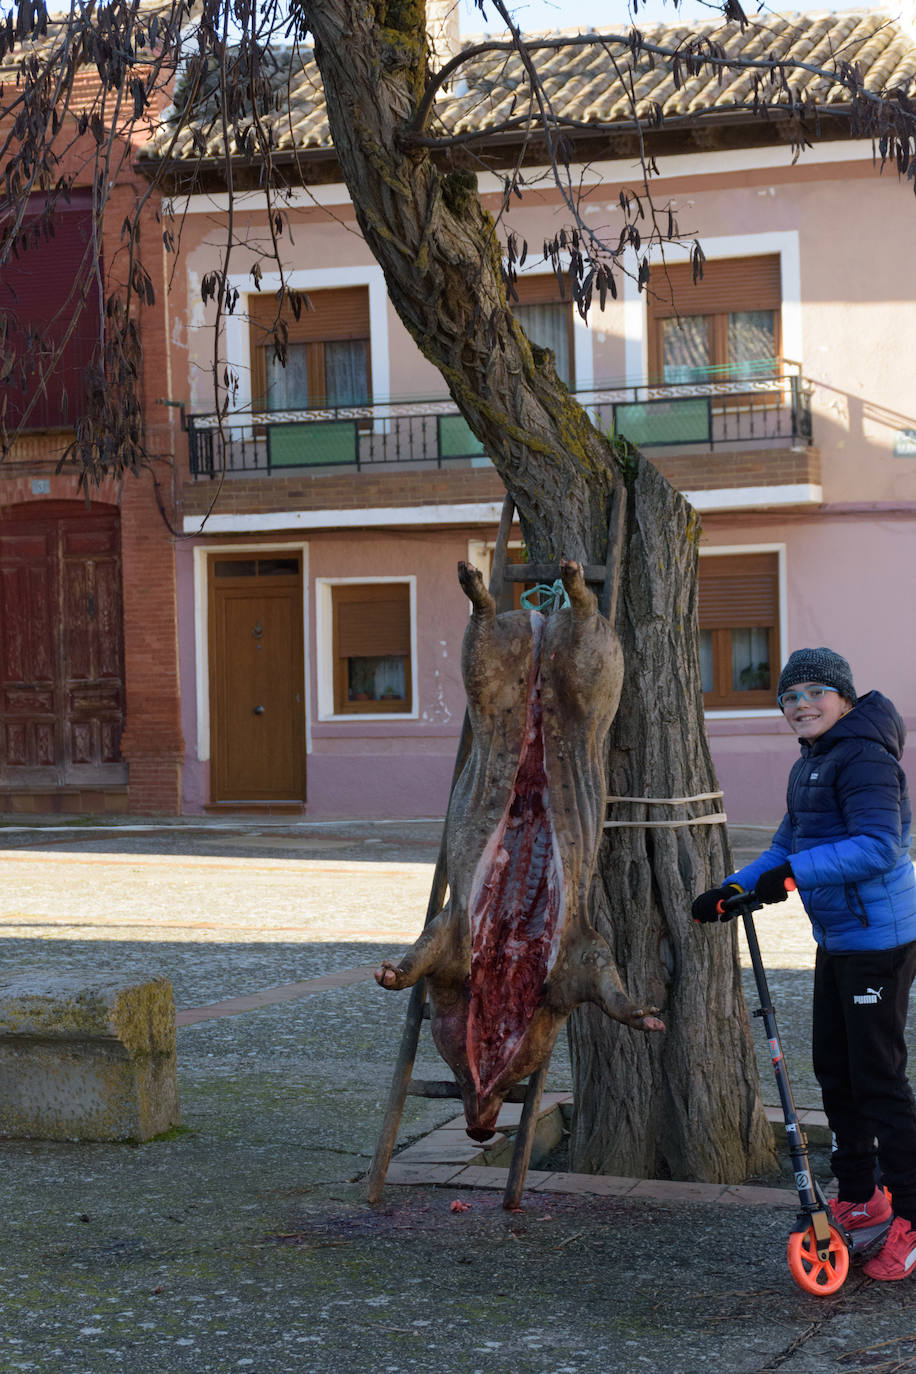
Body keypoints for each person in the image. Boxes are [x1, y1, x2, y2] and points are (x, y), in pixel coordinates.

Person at [692, 647, 916, 1281]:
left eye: (816, 692)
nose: (801, 705)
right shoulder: (812, 762)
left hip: (880, 940)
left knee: (878, 1078)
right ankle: (860, 1197)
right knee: (835, 1072)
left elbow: (878, 846)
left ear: (845, 698)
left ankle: (913, 1215)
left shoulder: (868, 758)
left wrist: (788, 879)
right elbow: (790, 844)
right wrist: (734, 888)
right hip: (840, 936)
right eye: (790, 696)